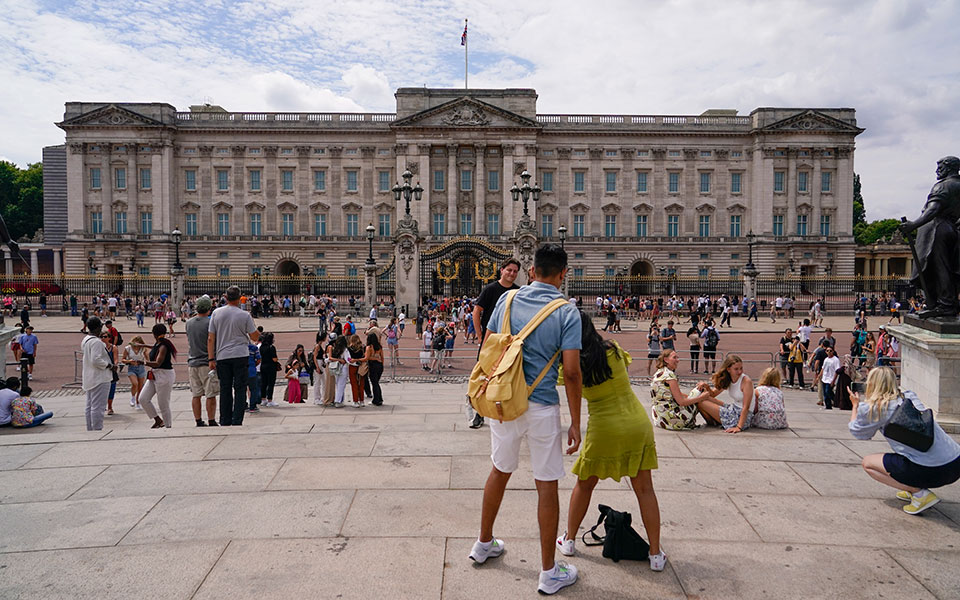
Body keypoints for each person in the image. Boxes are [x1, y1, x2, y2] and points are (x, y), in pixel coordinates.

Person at [469, 244, 582, 595]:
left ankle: (483, 543)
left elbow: (489, 346)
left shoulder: (506, 300)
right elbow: (573, 373)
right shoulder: (566, 311)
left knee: (499, 470)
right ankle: (549, 572)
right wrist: (576, 422)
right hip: (541, 405)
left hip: (503, 399)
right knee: (546, 483)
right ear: (563, 274)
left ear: (531, 271)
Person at [556, 312, 665, 571]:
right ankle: (656, 554)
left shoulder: (571, 365)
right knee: (645, 490)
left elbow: (561, 379)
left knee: (584, 485)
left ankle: (569, 540)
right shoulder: (613, 348)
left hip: (603, 426)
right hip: (636, 422)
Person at [848, 367, 960, 514]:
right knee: (907, 453)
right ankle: (910, 485)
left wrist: (855, 406)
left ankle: (918, 493)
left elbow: (858, 432)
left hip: (933, 471)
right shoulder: (909, 396)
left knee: (868, 463)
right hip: (955, 462)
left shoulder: (875, 408)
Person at [469, 258, 521, 429]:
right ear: (502, 270)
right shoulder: (491, 289)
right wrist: (479, 335)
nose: (512, 274)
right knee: (484, 376)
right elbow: (477, 312)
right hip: (490, 341)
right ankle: (478, 412)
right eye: (509, 270)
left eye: (515, 271)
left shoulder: (517, 291)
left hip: (507, 342)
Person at [208, 286, 259, 426]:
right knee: (240, 388)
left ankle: (225, 420)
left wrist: (211, 359)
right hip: (241, 355)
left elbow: (211, 338)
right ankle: (237, 420)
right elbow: (254, 336)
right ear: (239, 298)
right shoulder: (244, 315)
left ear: (225, 297)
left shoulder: (216, 313)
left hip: (222, 355)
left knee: (225, 388)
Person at [695, 355, 754, 430]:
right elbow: (713, 394)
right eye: (736, 369)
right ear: (728, 369)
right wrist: (706, 387)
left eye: (741, 368)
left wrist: (739, 427)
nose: (739, 372)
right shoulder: (728, 379)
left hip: (741, 416)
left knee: (700, 402)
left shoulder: (746, 381)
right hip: (733, 409)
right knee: (703, 398)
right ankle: (714, 422)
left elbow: (746, 407)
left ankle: (713, 422)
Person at [185, 296, 219, 427]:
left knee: (196, 394)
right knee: (210, 394)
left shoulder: (189, 322)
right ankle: (211, 419)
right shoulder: (210, 322)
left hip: (192, 361)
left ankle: (198, 420)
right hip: (207, 362)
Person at [650, 348, 703, 430]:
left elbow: (672, 394)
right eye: (674, 358)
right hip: (673, 419)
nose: (678, 360)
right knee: (701, 394)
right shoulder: (670, 376)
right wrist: (701, 397)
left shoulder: (658, 373)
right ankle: (716, 418)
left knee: (697, 395)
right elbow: (681, 402)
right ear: (666, 360)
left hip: (659, 418)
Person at [139, 324, 177, 429]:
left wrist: (143, 362)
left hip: (164, 375)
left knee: (163, 403)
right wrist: (143, 346)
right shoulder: (159, 343)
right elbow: (155, 347)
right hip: (155, 374)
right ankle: (158, 420)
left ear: (154, 334)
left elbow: (158, 363)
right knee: (143, 398)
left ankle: (168, 426)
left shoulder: (163, 346)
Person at [81, 317, 114, 431]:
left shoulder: (86, 339)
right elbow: (96, 360)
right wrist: (109, 365)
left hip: (90, 376)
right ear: (98, 327)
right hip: (100, 377)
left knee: (90, 406)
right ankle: (97, 429)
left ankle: (90, 428)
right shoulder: (96, 342)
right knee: (98, 407)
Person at [122, 336, 148, 411]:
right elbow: (123, 359)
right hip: (132, 367)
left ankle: (138, 402)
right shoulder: (128, 348)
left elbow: (147, 358)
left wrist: (146, 363)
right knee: (135, 383)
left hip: (141, 368)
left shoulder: (143, 349)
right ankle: (133, 396)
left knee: (140, 386)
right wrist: (129, 361)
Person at [328, 335, 350, 408]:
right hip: (343, 367)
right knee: (341, 385)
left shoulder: (335, 349)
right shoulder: (344, 350)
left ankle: (340, 399)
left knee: (338, 384)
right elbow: (348, 359)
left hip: (336, 367)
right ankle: (338, 401)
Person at [258, 332, 280, 406]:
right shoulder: (271, 347)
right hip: (271, 367)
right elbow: (274, 359)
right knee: (271, 383)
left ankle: (263, 399)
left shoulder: (261, 347)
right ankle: (270, 400)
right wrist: (277, 359)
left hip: (263, 366)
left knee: (263, 383)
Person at [364, 331, 385, 406]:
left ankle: (376, 400)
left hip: (372, 366)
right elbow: (382, 357)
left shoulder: (369, 347)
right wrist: (382, 364)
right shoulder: (379, 346)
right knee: (376, 383)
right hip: (379, 365)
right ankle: (379, 398)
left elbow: (367, 357)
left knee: (374, 383)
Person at [346, 334, 366, 408]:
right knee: (361, 384)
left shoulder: (349, 348)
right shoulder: (362, 347)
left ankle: (355, 401)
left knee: (354, 384)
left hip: (353, 366)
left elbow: (348, 359)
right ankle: (362, 400)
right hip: (361, 366)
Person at [102, 331, 119, 416]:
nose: (103, 338)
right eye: (101, 337)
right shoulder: (100, 347)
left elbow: (115, 358)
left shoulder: (113, 347)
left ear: (109, 338)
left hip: (111, 369)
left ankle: (110, 407)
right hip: (103, 370)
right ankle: (102, 406)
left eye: (105, 337)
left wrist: (115, 364)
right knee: (102, 389)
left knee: (111, 389)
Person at [819, 346, 840, 410]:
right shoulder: (826, 359)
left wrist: (833, 380)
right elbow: (823, 368)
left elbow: (837, 371)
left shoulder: (835, 360)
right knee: (825, 393)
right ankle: (828, 406)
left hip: (830, 379)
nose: (829, 352)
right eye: (827, 351)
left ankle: (836, 401)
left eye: (830, 351)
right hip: (824, 378)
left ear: (833, 351)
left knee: (828, 391)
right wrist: (820, 375)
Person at [246, 341, 261, 412]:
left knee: (241, 390)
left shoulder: (239, 348)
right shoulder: (253, 348)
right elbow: (258, 359)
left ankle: (243, 405)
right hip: (251, 370)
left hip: (241, 370)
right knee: (253, 389)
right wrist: (253, 365)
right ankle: (252, 406)